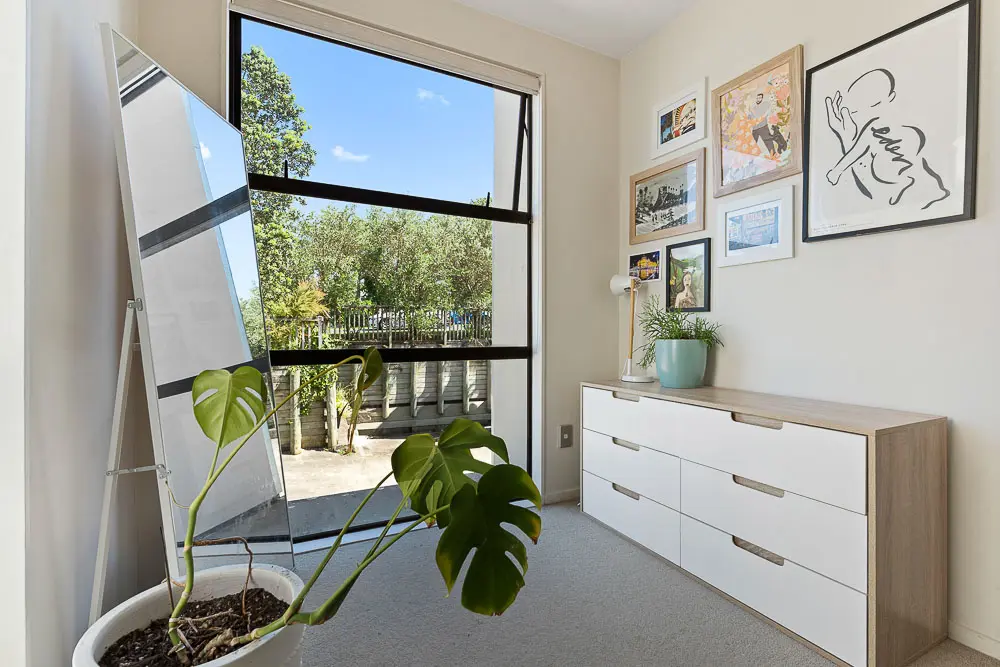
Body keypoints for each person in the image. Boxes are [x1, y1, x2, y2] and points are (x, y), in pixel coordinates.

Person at [748, 91, 788, 157]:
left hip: (763, 126)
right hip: (754, 128)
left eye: (760, 98)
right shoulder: (754, 108)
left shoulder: (765, 105)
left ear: (762, 99)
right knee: (752, 144)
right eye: (757, 98)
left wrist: (752, 111)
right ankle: (749, 157)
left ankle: (774, 155)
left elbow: (760, 116)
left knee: (768, 142)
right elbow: (750, 118)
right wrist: (749, 113)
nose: (758, 99)